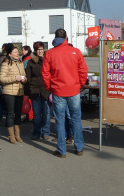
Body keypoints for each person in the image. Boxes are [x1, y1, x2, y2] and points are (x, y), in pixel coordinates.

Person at [42, 28, 88, 158]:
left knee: (60, 120)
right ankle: (79, 147)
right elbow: (83, 70)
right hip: (73, 90)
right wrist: (80, 84)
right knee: (76, 119)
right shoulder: (75, 51)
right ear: (66, 37)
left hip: (58, 90)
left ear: (55, 38)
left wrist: (49, 87)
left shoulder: (50, 53)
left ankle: (62, 150)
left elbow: (45, 73)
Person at [0, 45, 27, 144]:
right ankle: (11, 136)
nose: (17, 53)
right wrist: (15, 78)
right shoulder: (5, 64)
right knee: (11, 113)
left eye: (17, 52)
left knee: (18, 114)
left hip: (19, 91)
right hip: (9, 92)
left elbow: (24, 75)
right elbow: (2, 79)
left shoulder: (20, 63)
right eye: (15, 52)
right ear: (10, 54)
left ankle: (18, 134)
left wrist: (24, 79)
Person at [25, 41, 51, 141]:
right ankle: (37, 132)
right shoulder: (31, 62)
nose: (40, 51)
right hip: (34, 90)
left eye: (41, 49)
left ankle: (46, 132)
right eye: (38, 49)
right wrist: (27, 93)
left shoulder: (48, 60)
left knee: (46, 113)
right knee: (36, 114)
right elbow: (28, 78)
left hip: (46, 90)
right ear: (35, 50)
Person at [21, 45, 34, 122]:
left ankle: (30, 116)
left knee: (27, 99)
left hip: (26, 81)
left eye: (24, 50)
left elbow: (25, 71)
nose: (23, 52)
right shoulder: (27, 58)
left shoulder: (27, 59)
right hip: (26, 81)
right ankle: (29, 115)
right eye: (22, 50)